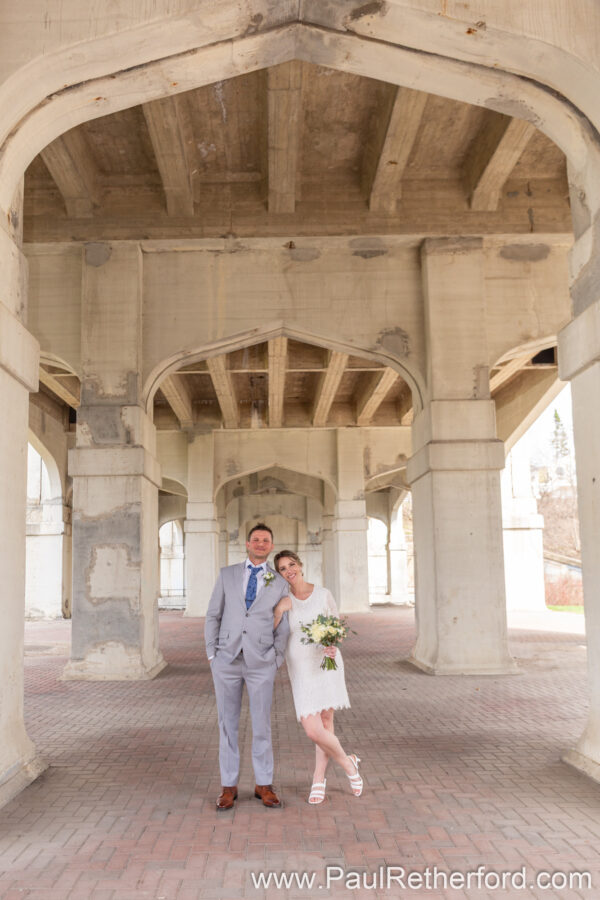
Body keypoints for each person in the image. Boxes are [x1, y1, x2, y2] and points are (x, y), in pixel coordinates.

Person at [205, 523, 290, 811]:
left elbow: (284, 626)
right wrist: (211, 656)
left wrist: (276, 659)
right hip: (226, 660)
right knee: (227, 724)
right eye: (256, 539)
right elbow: (213, 615)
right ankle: (228, 787)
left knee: (262, 724)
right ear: (247, 543)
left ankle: (263, 784)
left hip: (261, 662)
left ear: (271, 545)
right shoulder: (227, 574)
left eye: (266, 540)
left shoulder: (278, 582)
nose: (261, 543)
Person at [273, 550, 363, 805]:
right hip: (301, 667)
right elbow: (271, 632)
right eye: (282, 568)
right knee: (313, 730)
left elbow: (337, 628)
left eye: (291, 564)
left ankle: (318, 779)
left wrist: (334, 644)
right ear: (280, 574)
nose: (289, 570)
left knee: (325, 722)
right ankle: (349, 763)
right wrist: (279, 611)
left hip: (327, 663)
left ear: (300, 565)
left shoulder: (323, 594)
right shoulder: (283, 600)